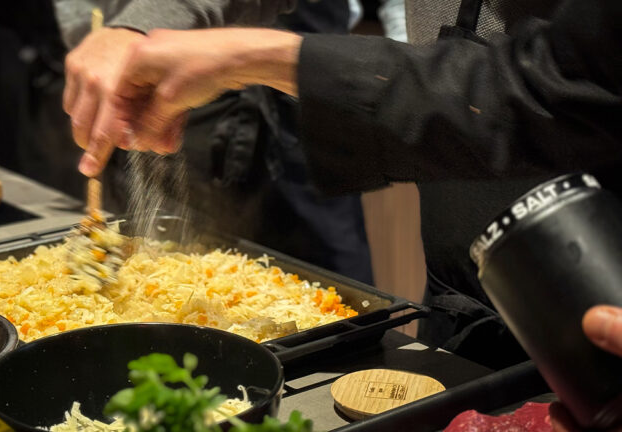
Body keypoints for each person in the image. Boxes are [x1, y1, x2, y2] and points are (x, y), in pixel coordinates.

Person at [63, 0, 622, 371]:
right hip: (466, 307)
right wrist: (150, 22)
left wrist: (258, 57)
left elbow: (544, 86)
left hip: (606, 320)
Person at [54, 0, 380, 283]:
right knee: (167, 248)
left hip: (277, 98)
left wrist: (141, 26)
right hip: (136, 67)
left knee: (325, 291)